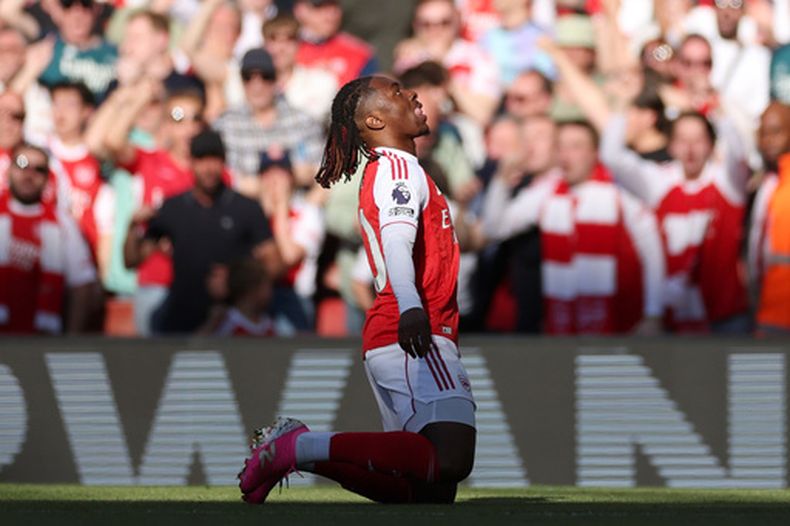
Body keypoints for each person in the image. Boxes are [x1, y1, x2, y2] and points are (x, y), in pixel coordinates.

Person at [239, 76, 476, 504]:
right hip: (412, 329)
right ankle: (298, 446)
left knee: (427, 491)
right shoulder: (398, 168)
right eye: (398, 93)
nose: (413, 96)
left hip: (394, 332)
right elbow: (396, 241)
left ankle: (294, 454)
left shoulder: (388, 170)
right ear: (373, 119)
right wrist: (410, 308)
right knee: (451, 457)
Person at [482, 120, 665, 335]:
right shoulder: (547, 191)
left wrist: (653, 314)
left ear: (594, 152)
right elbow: (495, 228)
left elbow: (653, 254)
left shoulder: (619, 194)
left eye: (576, 146)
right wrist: (501, 181)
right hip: (562, 328)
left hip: (618, 326)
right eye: (561, 146)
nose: (566, 155)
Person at [124, 130, 281, 334]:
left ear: (224, 162)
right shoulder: (173, 207)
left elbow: (275, 264)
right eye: (201, 159)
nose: (208, 168)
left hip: (232, 324)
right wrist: (132, 227)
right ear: (191, 162)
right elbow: (132, 261)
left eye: (214, 160)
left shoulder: (246, 208)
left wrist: (235, 279)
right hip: (180, 321)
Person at [0, 142, 98, 334]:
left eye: (39, 169)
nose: (29, 175)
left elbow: (82, 284)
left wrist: (71, 340)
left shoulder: (63, 223)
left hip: (42, 339)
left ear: (47, 178)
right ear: (9, 170)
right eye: (22, 164)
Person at [212, 47, 325, 192]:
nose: (257, 85)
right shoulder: (226, 125)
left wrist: (308, 209)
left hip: (296, 205)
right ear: (241, 81)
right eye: (248, 77)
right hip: (243, 208)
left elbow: (324, 174)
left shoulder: (302, 121)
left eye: (265, 76)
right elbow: (222, 177)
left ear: (277, 79)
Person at [748, 102, 790, 335]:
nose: (769, 141)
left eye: (777, 132)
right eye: (764, 133)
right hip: (766, 309)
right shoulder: (767, 182)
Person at [293, 0, 378, 87]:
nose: (331, 14)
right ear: (299, 9)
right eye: (319, 6)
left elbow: (368, 96)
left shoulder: (360, 54)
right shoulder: (284, 48)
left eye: (335, 5)